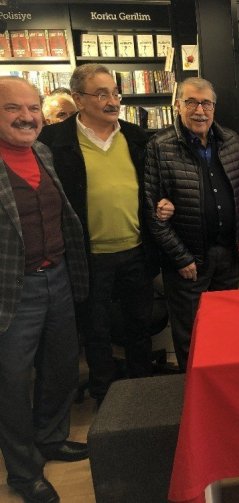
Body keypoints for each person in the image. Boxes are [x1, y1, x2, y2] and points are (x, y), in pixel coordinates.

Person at [39, 64, 166, 404]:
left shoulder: (137, 137)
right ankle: (106, 399)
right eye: (101, 94)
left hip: (136, 250)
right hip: (88, 256)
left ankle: (144, 395)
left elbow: (154, 188)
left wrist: (163, 203)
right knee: (95, 331)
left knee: (139, 327)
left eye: (115, 93)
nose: (112, 101)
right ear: (79, 99)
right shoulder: (53, 142)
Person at [0, 76, 89, 503]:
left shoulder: (43, 152)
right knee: (13, 385)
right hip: (12, 292)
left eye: (33, 108)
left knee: (61, 367)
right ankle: (23, 471)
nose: (27, 116)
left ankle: (51, 438)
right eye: (13, 108)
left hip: (58, 278)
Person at [144, 77, 239, 371]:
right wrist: (181, 258)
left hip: (228, 254)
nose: (199, 110)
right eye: (191, 102)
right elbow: (152, 211)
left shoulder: (230, 140)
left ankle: (224, 381)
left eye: (206, 103)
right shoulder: (160, 146)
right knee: (191, 334)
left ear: (214, 107)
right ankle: (193, 388)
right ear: (177, 105)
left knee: (227, 325)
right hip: (189, 260)